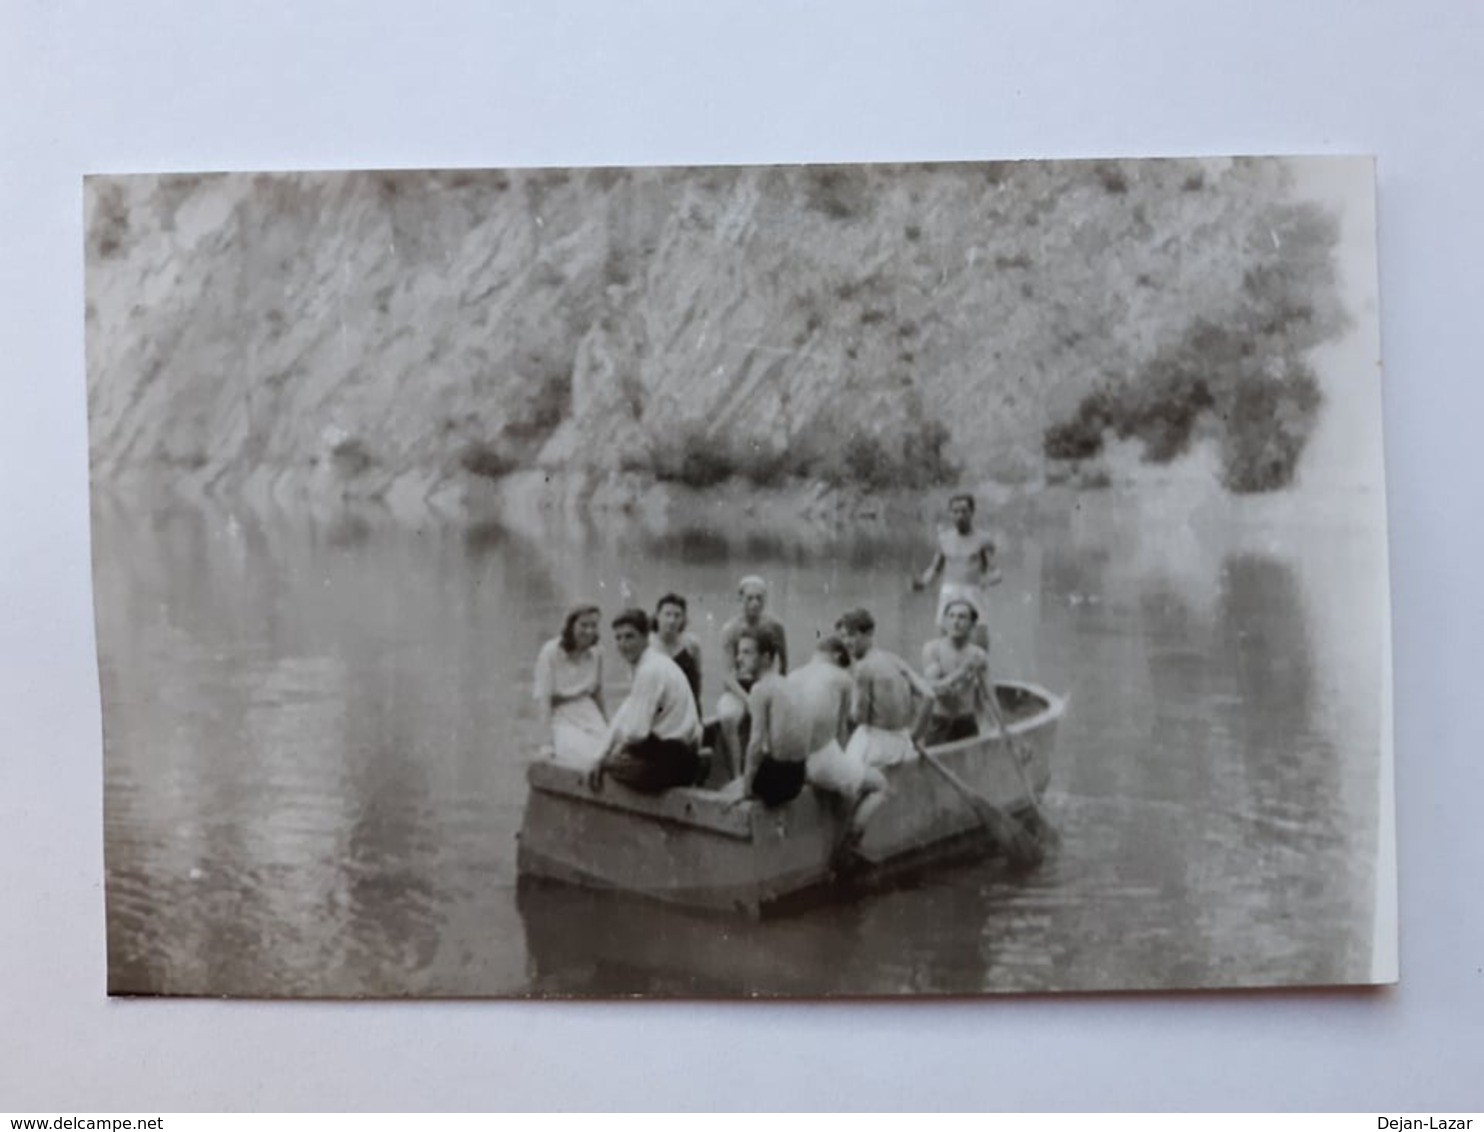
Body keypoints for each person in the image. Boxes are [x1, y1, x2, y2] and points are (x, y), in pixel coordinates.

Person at [589, 609, 703, 794]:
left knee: (606, 766)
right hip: (681, 749)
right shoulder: (655, 662)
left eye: (630, 637)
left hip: (669, 760)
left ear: (646, 636)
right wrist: (605, 749)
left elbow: (636, 733)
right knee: (606, 755)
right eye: (618, 638)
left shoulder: (649, 671)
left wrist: (607, 756)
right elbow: (627, 710)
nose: (623, 644)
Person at [785, 636, 889, 839]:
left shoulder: (792, 676)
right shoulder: (842, 678)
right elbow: (841, 731)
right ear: (837, 656)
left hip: (792, 762)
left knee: (841, 778)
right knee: (880, 785)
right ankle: (851, 844)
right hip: (820, 762)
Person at [835, 607, 937, 769]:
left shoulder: (863, 668)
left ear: (869, 634)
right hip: (902, 743)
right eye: (843, 637)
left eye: (852, 635)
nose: (846, 642)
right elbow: (929, 695)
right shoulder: (893, 659)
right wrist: (914, 736)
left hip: (875, 746)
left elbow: (859, 717)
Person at [716, 576, 789, 777]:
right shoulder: (731, 629)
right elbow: (727, 675)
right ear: (740, 600)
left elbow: (783, 664)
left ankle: (773, 768)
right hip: (739, 688)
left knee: (781, 718)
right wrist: (748, 700)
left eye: (759, 598)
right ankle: (737, 774)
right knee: (728, 717)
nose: (755, 604)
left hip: (766, 685)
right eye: (749, 598)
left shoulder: (775, 626)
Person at [912, 492, 1000, 649]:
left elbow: (996, 572)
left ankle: (979, 671)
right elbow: (935, 568)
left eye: (964, 511)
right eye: (955, 511)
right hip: (949, 592)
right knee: (942, 641)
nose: (960, 516)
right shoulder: (944, 539)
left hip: (973, 593)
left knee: (978, 643)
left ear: (972, 512)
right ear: (950, 513)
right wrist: (923, 583)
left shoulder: (983, 540)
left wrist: (986, 581)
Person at [733, 629, 804, 808]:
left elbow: (755, 744)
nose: (739, 658)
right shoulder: (786, 682)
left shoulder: (760, 689)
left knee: (729, 789)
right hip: (798, 776)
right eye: (739, 652)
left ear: (765, 657)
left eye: (747, 652)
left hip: (777, 782)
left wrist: (746, 789)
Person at [532, 604, 608, 768]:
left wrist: (608, 725)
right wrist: (546, 743)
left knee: (607, 752)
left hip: (589, 713)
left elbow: (598, 692)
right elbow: (544, 701)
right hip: (561, 714)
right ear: (571, 625)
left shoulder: (597, 652)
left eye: (593, 626)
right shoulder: (550, 652)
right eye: (583, 625)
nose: (588, 631)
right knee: (579, 755)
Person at [920, 598, 995, 746]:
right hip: (939, 723)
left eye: (962, 617)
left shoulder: (978, 655)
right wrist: (962, 671)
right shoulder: (933, 650)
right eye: (951, 616)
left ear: (972, 624)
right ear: (944, 621)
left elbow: (990, 697)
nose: (956, 622)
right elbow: (933, 689)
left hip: (967, 722)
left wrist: (1003, 730)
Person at [650, 592, 703, 707]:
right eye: (667, 614)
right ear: (657, 616)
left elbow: (697, 680)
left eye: (677, 615)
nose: (672, 620)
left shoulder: (692, 644)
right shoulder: (647, 645)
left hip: (686, 706)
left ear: (683, 619)